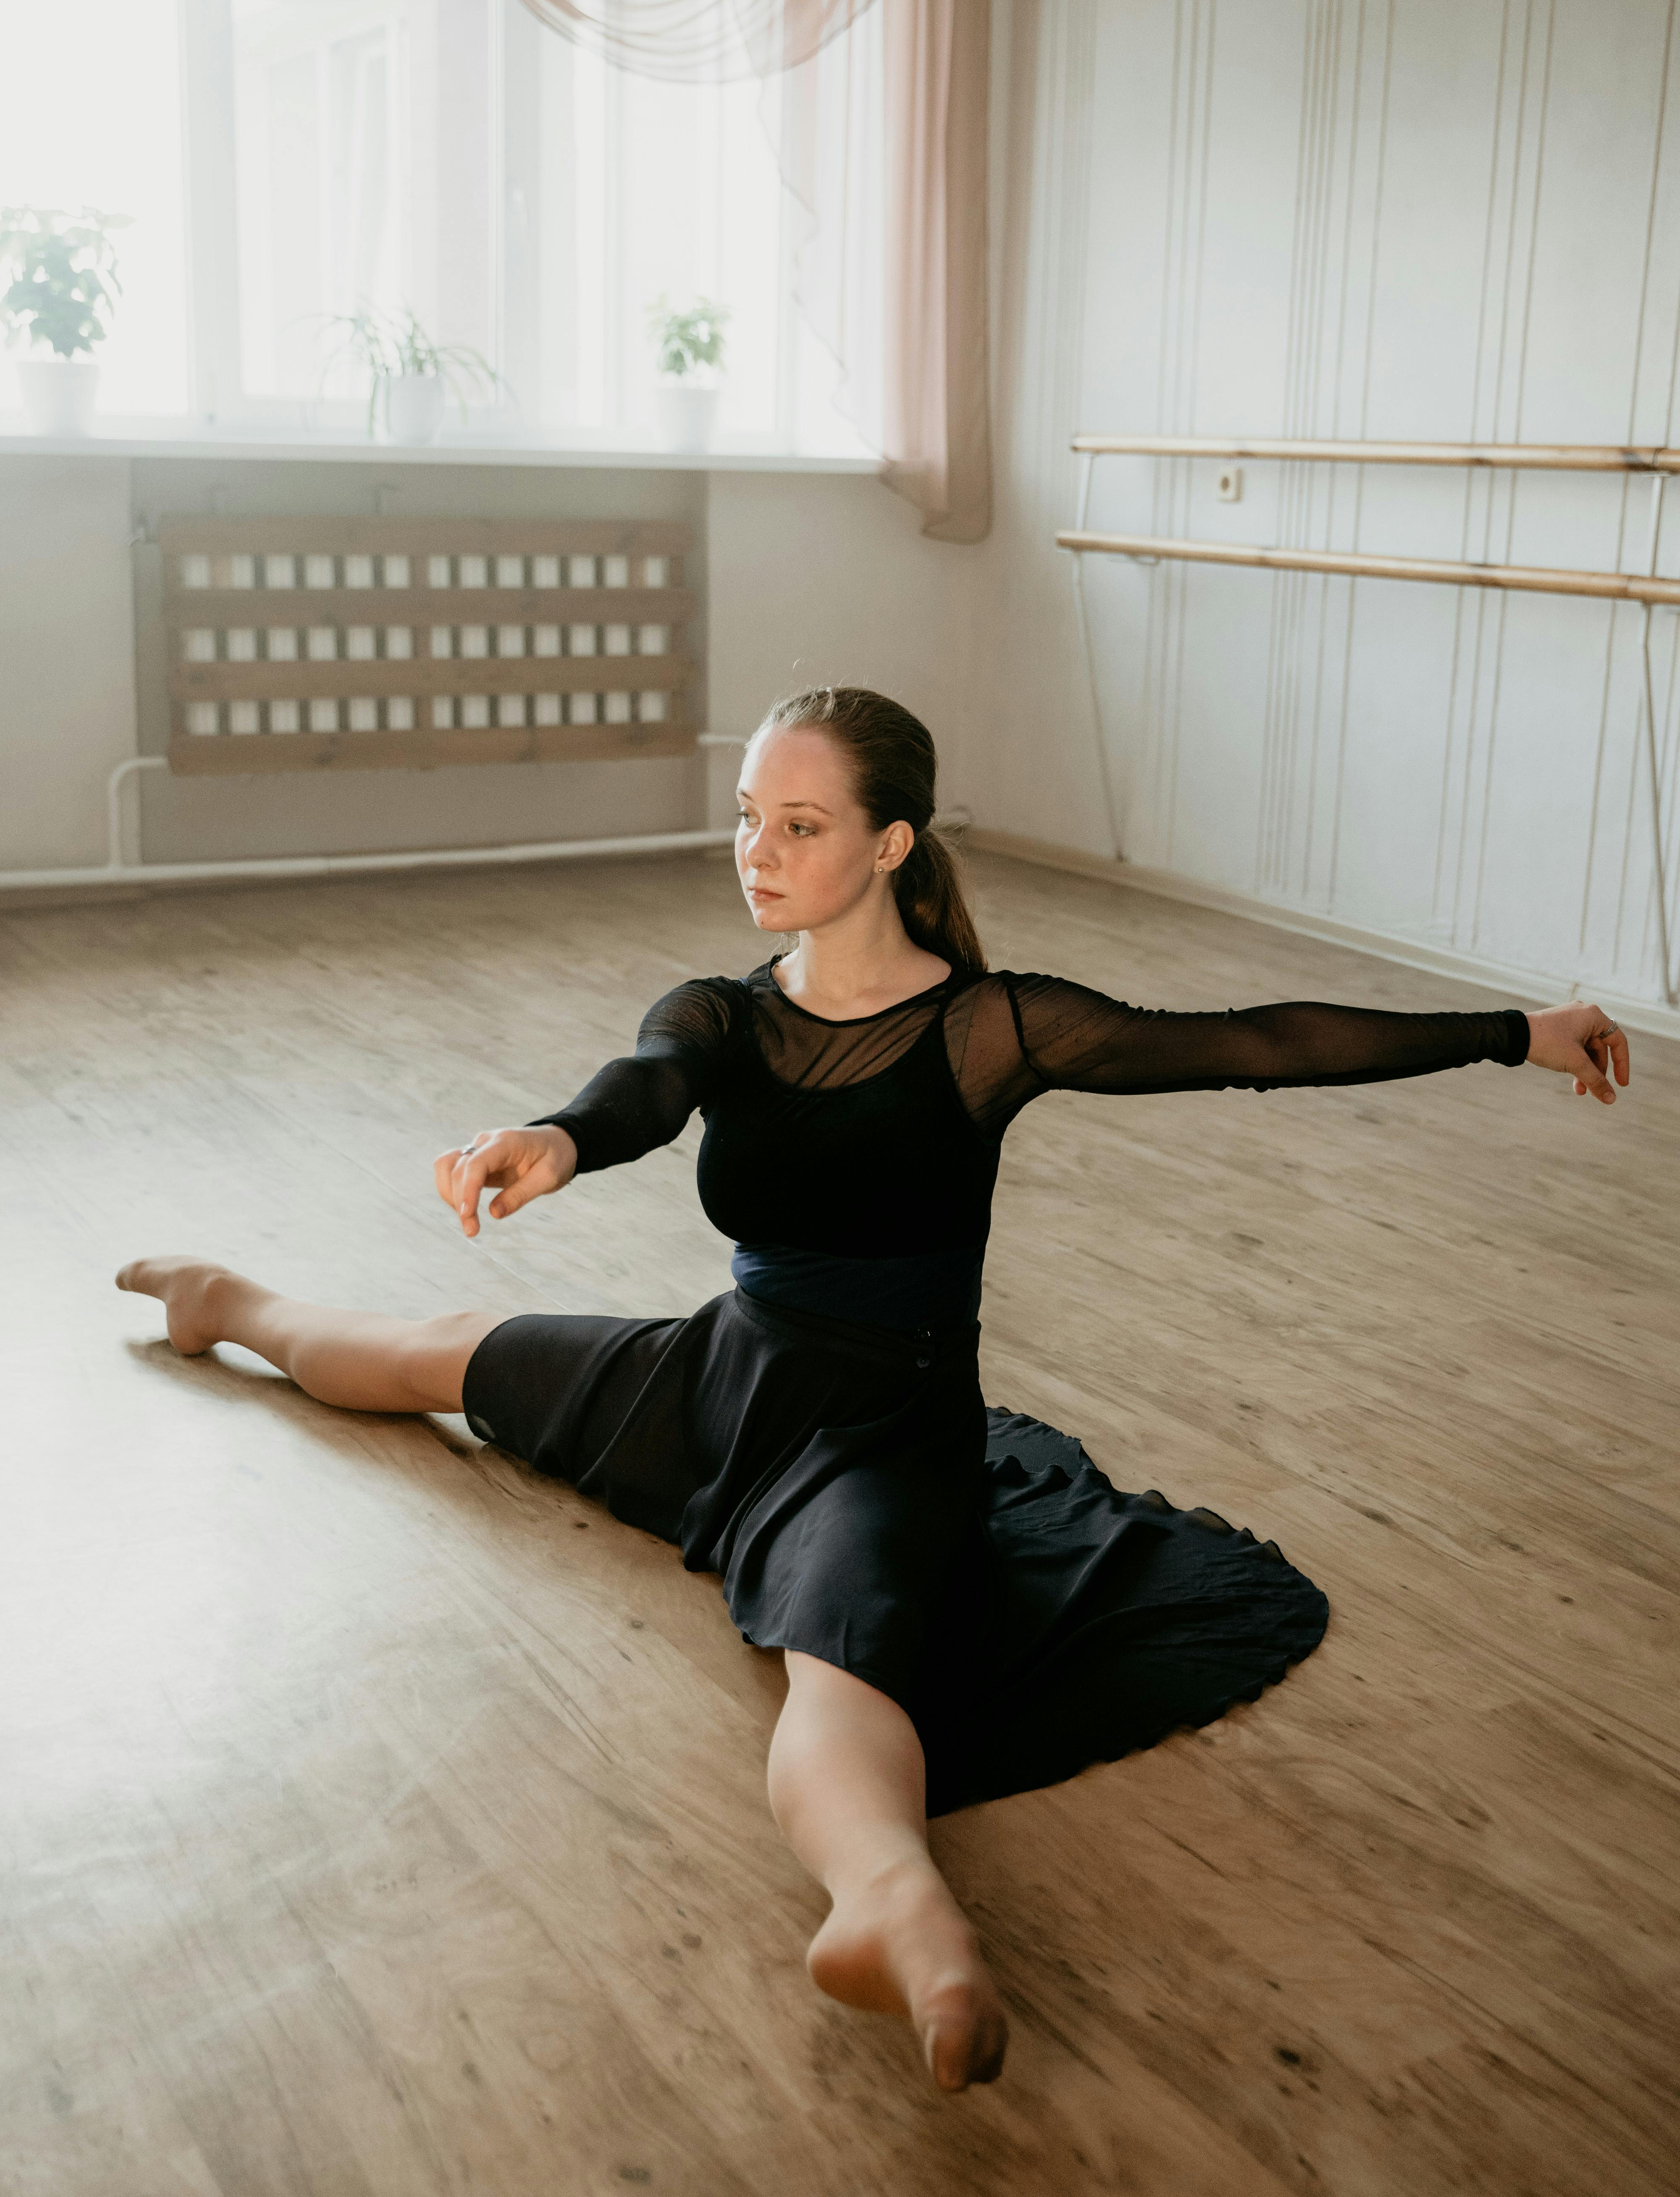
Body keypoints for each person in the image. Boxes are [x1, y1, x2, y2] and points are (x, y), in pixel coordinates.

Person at [118, 685, 1631, 2097]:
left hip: (882, 1430)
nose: (756, 854)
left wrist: (1516, 1032)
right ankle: (232, 1302)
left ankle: (891, 1905)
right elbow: (637, 1092)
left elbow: (1258, 1043)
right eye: (746, 818)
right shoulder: (724, 1011)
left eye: (800, 825)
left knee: (838, 1660)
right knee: (423, 1352)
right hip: (725, 1371)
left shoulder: (989, 1029)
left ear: (890, 844)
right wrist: (553, 1139)